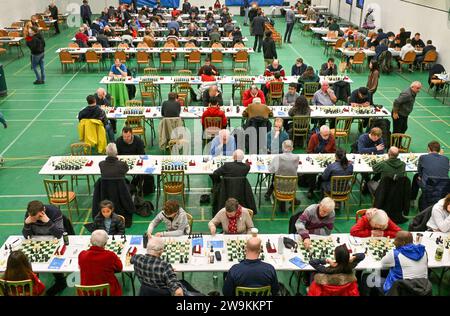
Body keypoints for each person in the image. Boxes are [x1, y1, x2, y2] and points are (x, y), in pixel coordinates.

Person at [22, 200, 66, 295]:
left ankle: (61, 281)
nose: (33, 220)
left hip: (54, 241)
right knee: (31, 261)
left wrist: (48, 222)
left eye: (36, 218)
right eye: (31, 217)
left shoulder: (55, 212)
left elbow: (59, 234)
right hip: (36, 242)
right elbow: (27, 236)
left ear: (43, 212)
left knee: (55, 261)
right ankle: (35, 281)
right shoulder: (29, 214)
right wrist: (27, 223)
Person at [131, 237, 201, 296]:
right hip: (164, 292)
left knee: (183, 282)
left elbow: (131, 260)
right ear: (161, 251)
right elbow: (178, 292)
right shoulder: (165, 266)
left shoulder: (137, 258)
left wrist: (167, 272)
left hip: (146, 290)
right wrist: (169, 271)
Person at [78, 230, 123, 296]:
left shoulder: (82, 255)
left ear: (90, 241)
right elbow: (120, 268)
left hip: (87, 293)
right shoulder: (110, 255)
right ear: (105, 243)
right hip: (108, 293)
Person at [266, 140, 300, 209]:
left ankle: (278, 200)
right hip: (291, 186)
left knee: (277, 176)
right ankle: (293, 200)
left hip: (279, 186)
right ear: (292, 148)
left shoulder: (277, 157)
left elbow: (270, 170)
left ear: (282, 148)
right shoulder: (297, 157)